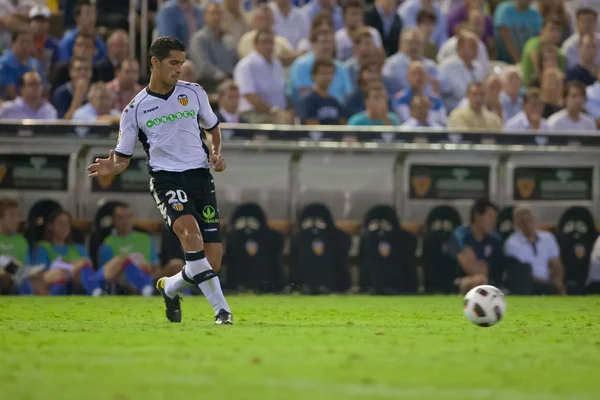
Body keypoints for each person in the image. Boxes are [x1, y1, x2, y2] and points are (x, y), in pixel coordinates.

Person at [87, 36, 232, 325]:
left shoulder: (194, 93)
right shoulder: (135, 109)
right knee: (191, 237)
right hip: (167, 180)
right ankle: (222, 312)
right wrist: (111, 167)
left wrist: (216, 153)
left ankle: (170, 286)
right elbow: (122, 158)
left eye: (181, 63)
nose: (179, 69)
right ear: (155, 62)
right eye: (173, 63)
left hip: (200, 178)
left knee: (211, 261)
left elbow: (213, 129)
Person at [36, 209, 103, 296]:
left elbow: (88, 268)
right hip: (55, 283)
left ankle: (97, 292)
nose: (64, 227)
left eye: (67, 224)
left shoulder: (79, 249)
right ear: (50, 226)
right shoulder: (43, 247)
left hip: (77, 284)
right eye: (60, 223)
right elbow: (42, 275)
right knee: (60, 281)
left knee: (84, 267)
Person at [504, 204, 566, 295]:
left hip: (549, 284)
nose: (527, 224)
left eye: (529, 219)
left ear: (534, 219)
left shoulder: (548, 237)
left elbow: (556, 264)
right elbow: (522, 274)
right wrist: (548, 285)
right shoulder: (512, 243)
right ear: (516, 224)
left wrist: (558, 282)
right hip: (528, 285)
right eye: (523, 221)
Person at [447, 198, 502, 294]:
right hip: (458, 281)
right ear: (477, 216)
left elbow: (486, 271)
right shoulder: (459, 236)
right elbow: (466, 265)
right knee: (479, 280)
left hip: (487, 283)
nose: (493, 222)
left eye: (495, 218)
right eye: (490, 216)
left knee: (482, 280)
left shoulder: (494, 240)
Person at [0, 198, 45, 295]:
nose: (16, 220)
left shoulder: (21, 241)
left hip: (14, 280)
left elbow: (26, 267)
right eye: (12, 215)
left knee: (28, 279)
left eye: (18, 215)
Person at [297, 59, 345, 125]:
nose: (327, 77)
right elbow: (312, 127)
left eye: (330, 73)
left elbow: (342, 125)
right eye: (323, 73)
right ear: (313, 76)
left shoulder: (334, 101)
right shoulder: (308, 100)